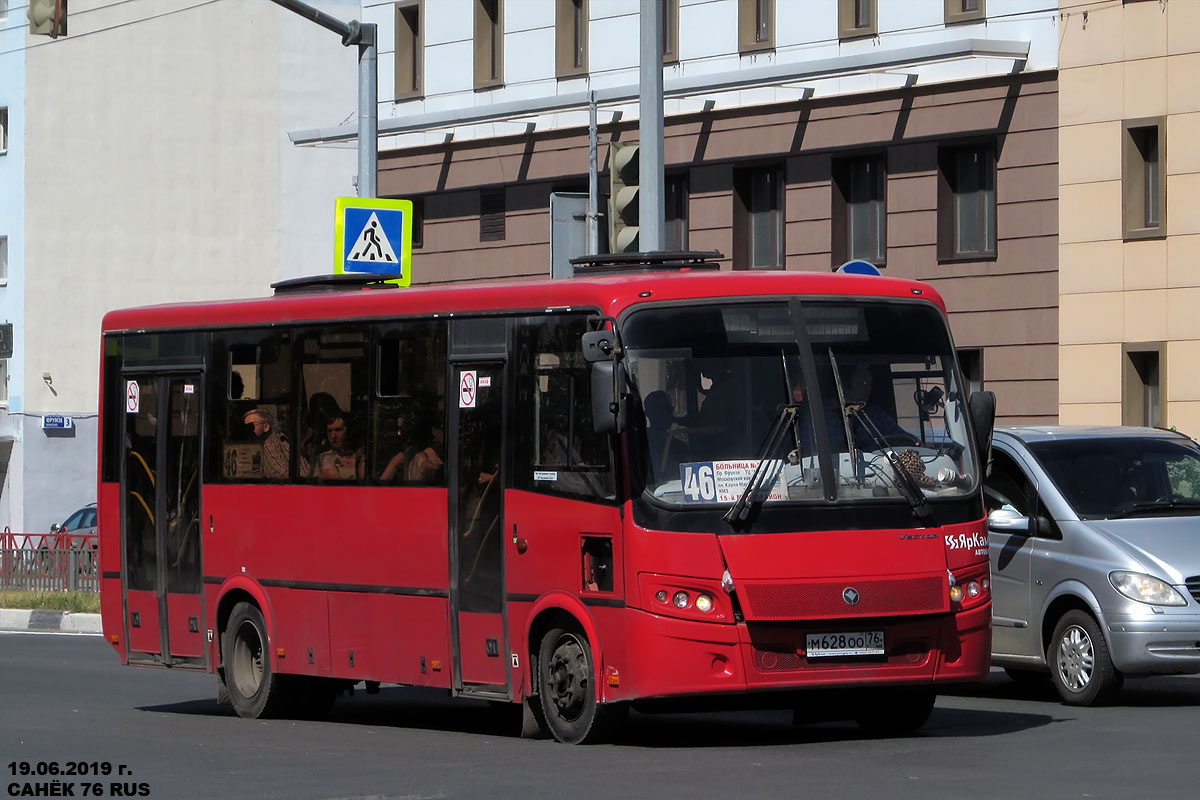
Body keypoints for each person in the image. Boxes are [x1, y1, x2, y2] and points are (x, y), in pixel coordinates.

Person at [843, 363, 918, 448]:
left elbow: (902, 438)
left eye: (869, 385)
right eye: (863, 383)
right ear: (846, 386)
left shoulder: (875, 414)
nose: (868, 389)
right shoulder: (828, 414)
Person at [644, 390, 689, 480]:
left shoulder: (680, 447)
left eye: (669, 409)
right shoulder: (642, 444)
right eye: (660, 409)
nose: (665, 413)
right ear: (648, 413)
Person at [312, 414, 365, 480]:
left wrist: (337, 478)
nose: (333, 436)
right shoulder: (322, 458)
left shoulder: (359, 457)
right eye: (329, 431)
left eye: (338, 430)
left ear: (347, 431)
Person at [243, 406, 290, 479]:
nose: (247, 431)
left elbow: (284, 476)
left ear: (266, 427)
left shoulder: (268, 445)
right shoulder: (280, 438)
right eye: (244, 427)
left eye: (251, 426)